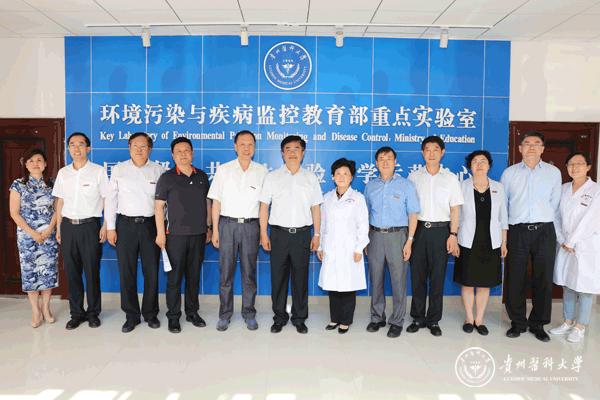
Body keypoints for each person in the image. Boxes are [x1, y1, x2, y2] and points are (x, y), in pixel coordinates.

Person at [501, 131, 561, 342]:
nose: (532, 147)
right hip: (517, 230)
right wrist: (504, 236)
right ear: (520, 148)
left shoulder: (553, 173)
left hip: (545, 230)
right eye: (527, 143)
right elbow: (503, 206)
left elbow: (555, 205)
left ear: (543, 148)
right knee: (515, 277)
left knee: (543, 278)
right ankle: (517, 322)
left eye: (536, 143)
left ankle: (538, 324)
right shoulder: (509, 173)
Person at [259, 135, 323, 334]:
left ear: (303, 153)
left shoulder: (310, 178)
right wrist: (263, 234)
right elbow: (264, 207)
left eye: (297, 149)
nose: (292, 152)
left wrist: (317, 234)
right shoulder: (272, 177)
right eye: (288, 149)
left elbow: (316, 208)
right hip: (278, 235)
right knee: (278, 279)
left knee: (300, 279)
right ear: (282, 153)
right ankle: (279, 317)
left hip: (302, 235)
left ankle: (299, 318)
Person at [208, 130, 267, 331]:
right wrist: (215, 230)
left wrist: (263, 232)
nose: (246, 148)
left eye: (250, 144)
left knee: (249, 273)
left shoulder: (262, 171)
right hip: (227, 225)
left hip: (251, 226)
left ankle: (249, 313)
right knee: (226, 273)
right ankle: (224, 315)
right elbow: (216, 202)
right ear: (235, 146)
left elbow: (264, 205)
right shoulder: (224, 170)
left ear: (254, 148)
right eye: (242, 144)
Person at [105, 132, 164, 333]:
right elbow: (111, 200)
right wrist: (111, 227)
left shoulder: (158, 170)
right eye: (135, 146)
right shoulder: (119, 169)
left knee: (151, 271)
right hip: (125, 225)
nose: (139, 150)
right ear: (129, 148)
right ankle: (131, 315)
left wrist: (163, 228)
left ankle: (150, 313)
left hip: (150, 226)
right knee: (127, 272)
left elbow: (164, 203)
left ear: (150, 149)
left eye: (143, 146)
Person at [407, 136, 463, 337]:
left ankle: (433, 320)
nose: (431, 153)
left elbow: (455, 209)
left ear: (442, 152)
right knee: (418, 277)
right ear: (422, 153)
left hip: (441, 232)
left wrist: (453, 234)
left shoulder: (450, 178)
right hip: (419, 230)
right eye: (427, 149)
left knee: (437, 278)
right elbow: (411, 210)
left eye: (435, 149)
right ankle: (417, 317)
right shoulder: (414, 177)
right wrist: (410, 237)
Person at [155, 137, 212, 334]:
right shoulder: (167, 178)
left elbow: (208, 203)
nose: (183, 154)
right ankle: (173, 316)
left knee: (193, 276)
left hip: (198, 235)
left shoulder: (202, 176)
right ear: (173, 155)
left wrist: (209, 227)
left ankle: (192, 312)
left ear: (192, 153)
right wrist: (160, 233)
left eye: (186, 150)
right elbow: (158, 207)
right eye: (178, 151)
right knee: (174, 279)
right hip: (175, 236)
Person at [53, 132, 109, 330]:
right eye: (72, 144)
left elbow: (107, 199)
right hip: (68, 226)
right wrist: (59, 227)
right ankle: (76, 313)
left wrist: (105, 225)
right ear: (68, 148)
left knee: (92, 272)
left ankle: (93, 313)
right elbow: (60, 201)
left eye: (80, 144)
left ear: (88, 148)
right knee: (72, 272)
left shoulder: (98, 171)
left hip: (90, 226)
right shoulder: (63, 173)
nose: (76, 148)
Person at [364, 147, 420, 338]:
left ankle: (397, 321)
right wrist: (365, 239)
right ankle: (377, 317)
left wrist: (409, 241)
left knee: (398, 281)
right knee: (376, 279)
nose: (385, 162)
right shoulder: (370, 186)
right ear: (376, 163)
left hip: (398, 236)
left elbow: (413, 214)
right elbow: (365, 214)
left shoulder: (406, 185)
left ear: (395, 162)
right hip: (375, 236)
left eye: (389, 158)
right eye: (381, 158)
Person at [454, 150, 508, 336]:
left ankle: (480, 319)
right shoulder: (462, 186)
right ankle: (469, 318)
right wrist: (454, 238)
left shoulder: (498, 187)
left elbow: (503, 217)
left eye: (483, 161)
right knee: (468, 282)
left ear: (489, 165)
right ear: (470, 166)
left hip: (491, 241)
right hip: (467, 241)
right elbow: (456, 215)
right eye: (475, 161)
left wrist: (504, 242)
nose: (479, 164)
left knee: (485, 283)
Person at [549, 152, 600, 343]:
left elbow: (591, 220)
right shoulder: (563, 189)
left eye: (579, 163)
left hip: (585, 246)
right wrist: (562, 239)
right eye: (571, 164)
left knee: (585, 287)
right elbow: (555, 216)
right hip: (564, 244)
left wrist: (572, 241)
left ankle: (580, 326)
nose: (575, 167)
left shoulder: (596, 191)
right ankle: (568, 321)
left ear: (588, 167)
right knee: (568, 284)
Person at [317, 158, 369, 334]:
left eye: (345, 173)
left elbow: (363, 225)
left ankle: (346, 320)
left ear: (351, 177)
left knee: (348, 285)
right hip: (331, 248)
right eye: (338, 173)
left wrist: (359, 248)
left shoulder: (358, 198)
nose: (341, 176)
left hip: (350, 249)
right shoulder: (327, 198)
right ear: (332, 176)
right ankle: (334, 318)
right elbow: (322, 225)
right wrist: (320, 247)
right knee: (333, 285)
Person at [9, 149, 59, 328]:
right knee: (30, 274)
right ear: (26, 164)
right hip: (27, 237)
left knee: (47, 273)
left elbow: (58, 210)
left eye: (39, 160)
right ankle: (35, 311)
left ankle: (46, 308)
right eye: (31, 160)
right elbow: (14, 213)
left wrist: (49, 230)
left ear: (45, 164)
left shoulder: (53, 183)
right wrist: (33, 233)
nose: (35, 163)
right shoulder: (18, 184)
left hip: (48, 236)